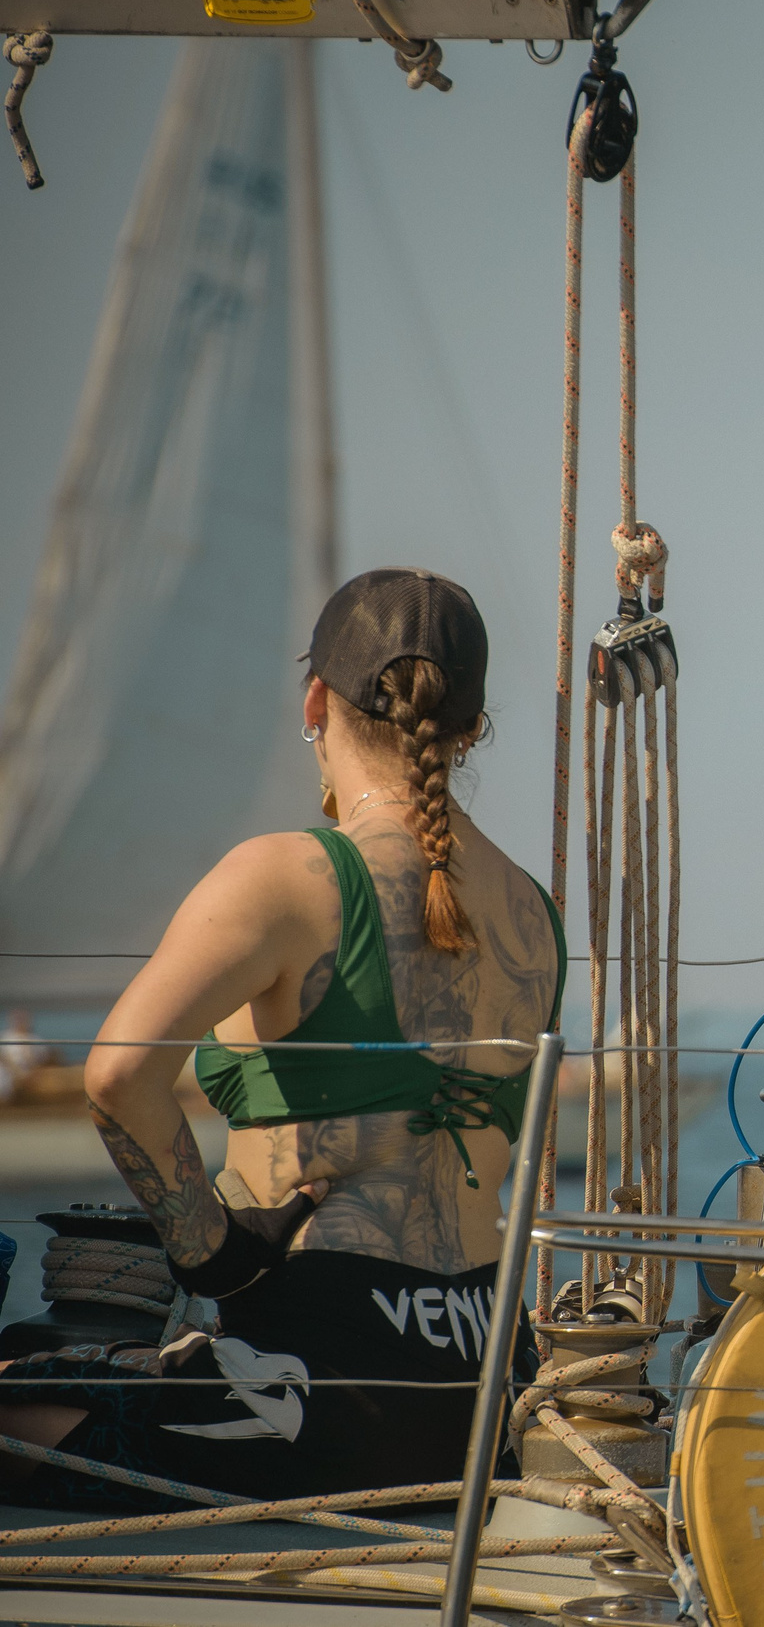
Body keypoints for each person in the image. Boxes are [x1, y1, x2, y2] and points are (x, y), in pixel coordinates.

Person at [0, 568, 562, 1509]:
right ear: (468, 727)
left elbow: (120, 1074)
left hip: (321, 1388)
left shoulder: (285, 875)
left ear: (316, 700)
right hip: (486, 1378)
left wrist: (210, 1252)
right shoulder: (535, 912)